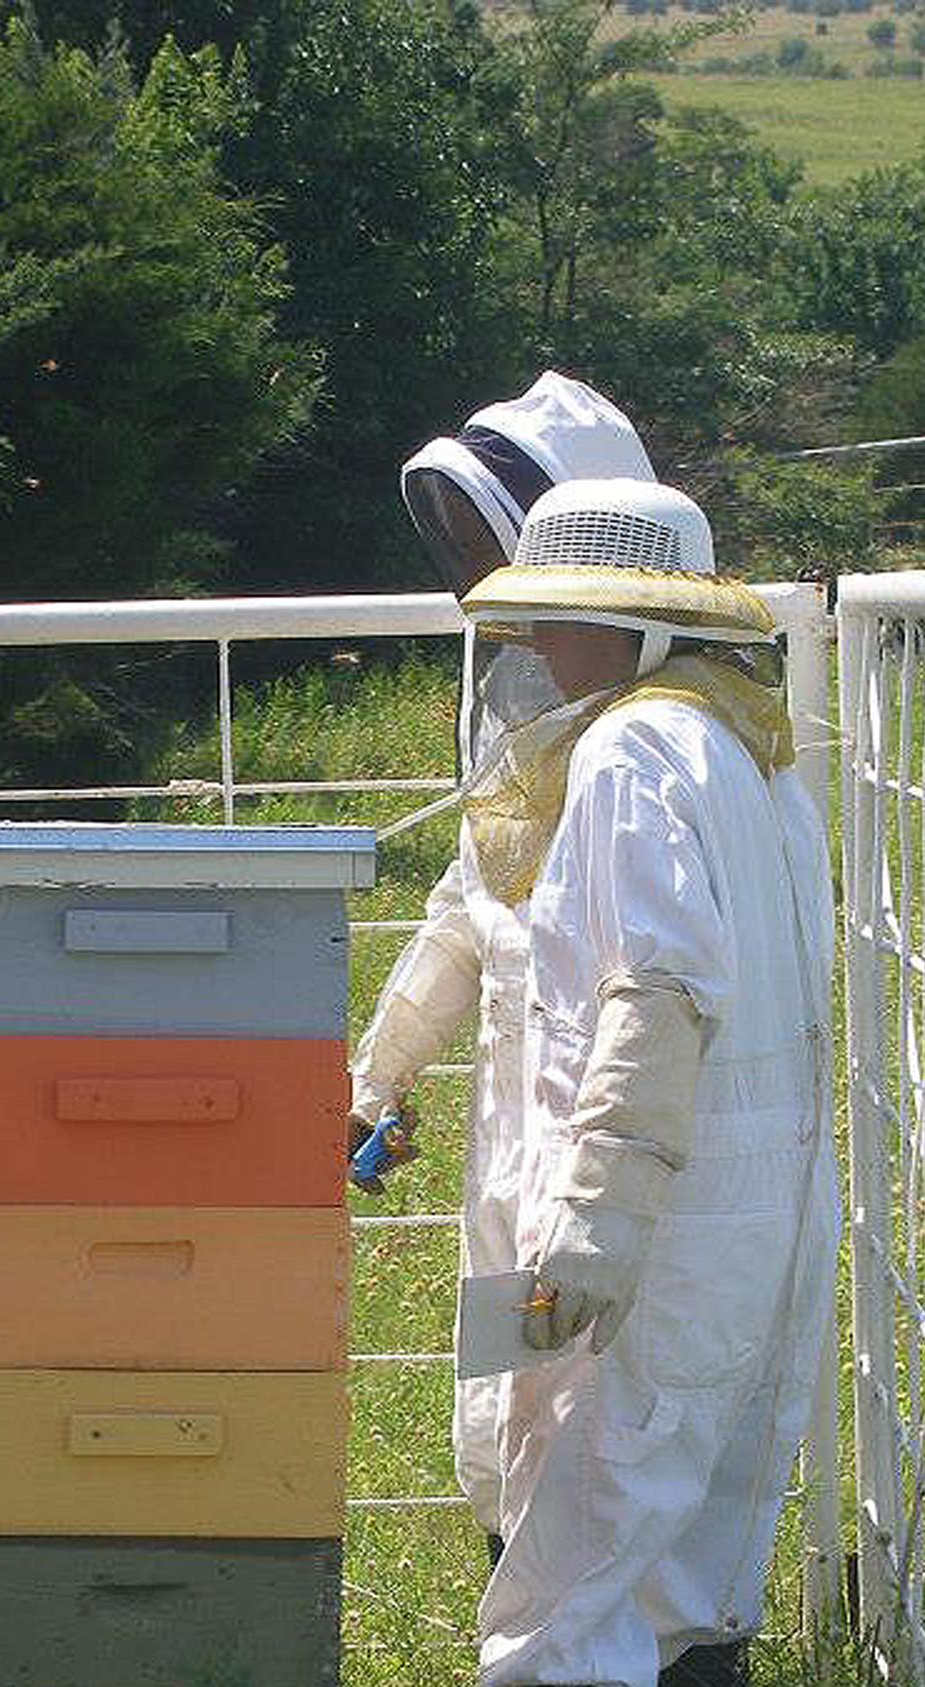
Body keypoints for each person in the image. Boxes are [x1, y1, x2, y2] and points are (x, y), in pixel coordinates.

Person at [451, 477, 839, 1687]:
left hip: (655, 1200)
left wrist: (596, 1223)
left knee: (583, 1509)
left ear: (627, 627)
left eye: (562, 621)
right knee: (701, 1500)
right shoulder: (754, 749)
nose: (542, 653)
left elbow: (657, 987)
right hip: (762, 1187)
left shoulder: (628, 755)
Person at [349, 374, 654, 1555]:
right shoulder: (511, 692)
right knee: (503, 1379)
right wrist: (373, 1078)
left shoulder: (671, 733)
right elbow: (468, 904)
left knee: (614, 1396)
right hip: (512, 1101)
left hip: (618, 1106)